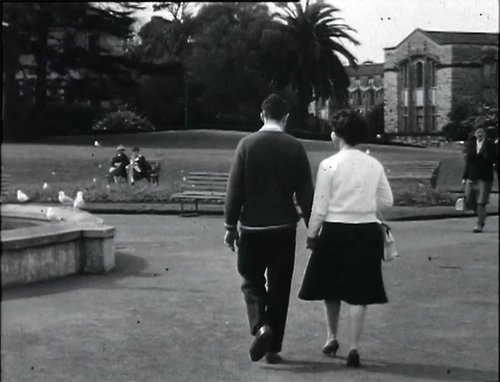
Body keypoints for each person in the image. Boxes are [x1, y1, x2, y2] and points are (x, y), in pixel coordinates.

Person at [298, 109, 393, 368]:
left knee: (330, 288)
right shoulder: (373, 164)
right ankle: (354, 347)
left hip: (335, 230)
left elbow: (319, 206)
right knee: (359, 292)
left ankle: (331, 336)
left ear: (337, 134)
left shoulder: (329, 164)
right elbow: (387, 200)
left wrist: (311, 234)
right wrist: (363, 203)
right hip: (365, 230)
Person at [224, 94, 314, 364]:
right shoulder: (295, 147)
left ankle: (260, 325)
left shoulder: (246, 145)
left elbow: (234, 190)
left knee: (251, 279)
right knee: (279, 286)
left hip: (252, 226)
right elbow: (306, 193)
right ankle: (273, 345)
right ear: (286, 118)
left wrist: (230, 225)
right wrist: (313, 228)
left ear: (261, 115)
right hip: (284, 227)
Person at [462, 125, 496, 233]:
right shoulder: (471, 145)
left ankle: (479, 224)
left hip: (484, 178)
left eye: (481, 132)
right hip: (472, 176)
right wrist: (464, 177)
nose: (479, 134)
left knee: (481, 202)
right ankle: (482, 215)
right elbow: (468, 162)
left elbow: (494, 159)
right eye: (478, 132)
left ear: (485, 134)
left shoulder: (490, 145)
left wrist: (485, 155)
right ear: (475, 134)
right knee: (469, 201)